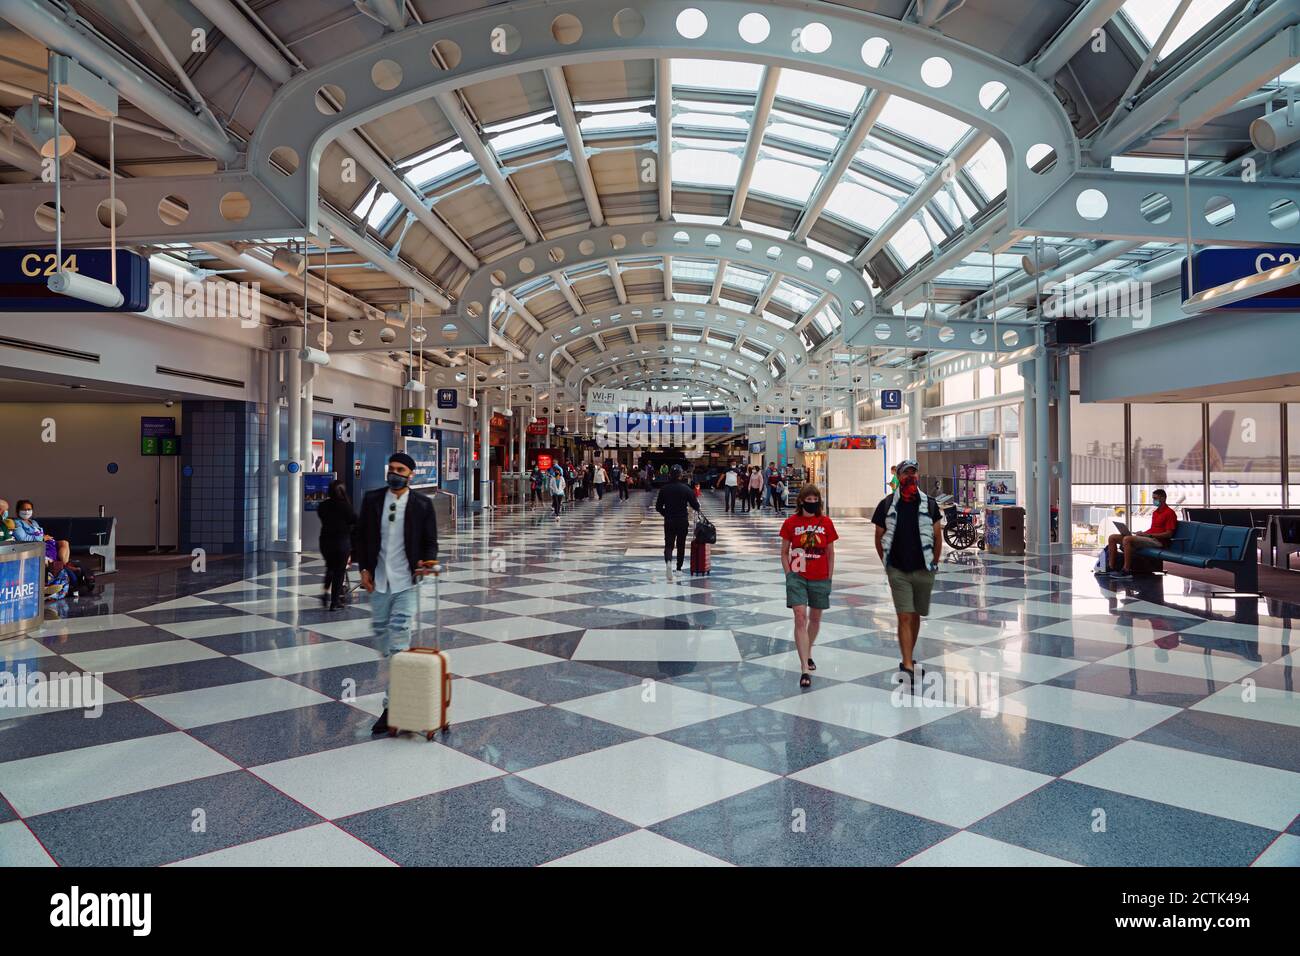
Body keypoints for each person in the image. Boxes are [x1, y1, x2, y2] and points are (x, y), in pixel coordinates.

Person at [351, 452, 439, 735]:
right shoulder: (373, 499)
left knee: (398, 645)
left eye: (400, 469)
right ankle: (401, 697)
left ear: (411, 474)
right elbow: (361, 536)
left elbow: (430, 542)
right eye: (392, 468)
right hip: (379, 582)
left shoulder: (423, 505)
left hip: (406, 583)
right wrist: (363, 569)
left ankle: (393, 708)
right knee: (383, 640)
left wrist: (427, 562)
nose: (394, 473)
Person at [872, 459, 942, 690]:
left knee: (916, 616)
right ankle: (907, 664)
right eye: (906, 473)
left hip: (923, 568)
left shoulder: (929, 505)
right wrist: (887, 563)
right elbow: (879, 535)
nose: (910, 477)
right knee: (904, 614)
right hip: (898, 569)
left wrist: (934, 562)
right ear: (899, 477)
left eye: (913, 473)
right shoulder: (887, 504)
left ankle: (909, 655)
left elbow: (937, 536)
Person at [781, 485, 837, 688]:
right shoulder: (790, 523)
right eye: (809, 499)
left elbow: (831, 553)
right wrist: (789, 575)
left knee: (815, 618)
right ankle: (804, 667)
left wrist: (829, 577)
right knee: (799, 616)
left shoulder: (826, 522)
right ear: (802, 501)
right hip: (797, 575)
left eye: (815, 499)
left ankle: (808, 649)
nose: (812, 502)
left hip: (820, 576)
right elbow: (784, 551)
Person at [1105, 488, 1176, 579]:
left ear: (1163, 498)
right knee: (1112, 537)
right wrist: (1143, 533)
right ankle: (1111, 567)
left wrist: (1149, 535)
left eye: (1155, 498)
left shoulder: (1170, 513)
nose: (1154, 501)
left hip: (1158, 542)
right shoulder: (1155, 513)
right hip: (1150, 538)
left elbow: (1169, 534)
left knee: (1127, 539)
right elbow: (1153, 529)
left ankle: (1126, 570)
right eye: (1153, 498)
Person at [655, 464, 701, 582]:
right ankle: (679, 569)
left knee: (669, 544)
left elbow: (658, 507)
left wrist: (666, 513)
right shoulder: (686, 489)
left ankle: (668, 562)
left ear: (670, 475)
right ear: (681, 475)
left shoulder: (664, 489)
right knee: (681, 545)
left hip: (669, 520)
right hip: (682, 520)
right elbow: (695, 505)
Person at [316, 480, 356, 611]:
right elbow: (354, 519)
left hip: (325, 542)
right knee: (339, 571)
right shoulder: (345, 506)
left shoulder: (323, 506)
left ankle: (325, 592)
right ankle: (335, 601)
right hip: (341, 542)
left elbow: (322, 517)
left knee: (330, 567)